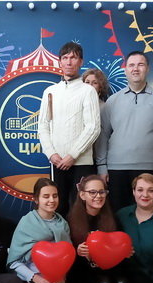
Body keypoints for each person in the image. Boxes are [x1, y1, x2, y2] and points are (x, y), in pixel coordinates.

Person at [95, 51, 153, 212]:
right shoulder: (113, 101)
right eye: (131, 65)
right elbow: (102, 135)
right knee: (118, 214)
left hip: (150, 168)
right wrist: (102, 167)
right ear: (125, 70)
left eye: (140, 65)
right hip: (116, 169)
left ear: (148, 69)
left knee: (148, 214)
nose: (136, 69)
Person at [37, 42, 101, 217]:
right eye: (65, 58)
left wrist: (72, 155)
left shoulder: (88, 91)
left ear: (80, 61)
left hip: (81, 163)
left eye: (73, 57)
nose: (69, 62)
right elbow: (43, 126)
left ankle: (82, 237)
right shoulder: (50, 91)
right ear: (60, 62)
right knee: (57, 207)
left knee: (81, 208)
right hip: (57, 162)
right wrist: (51, 154)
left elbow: (93, 128)